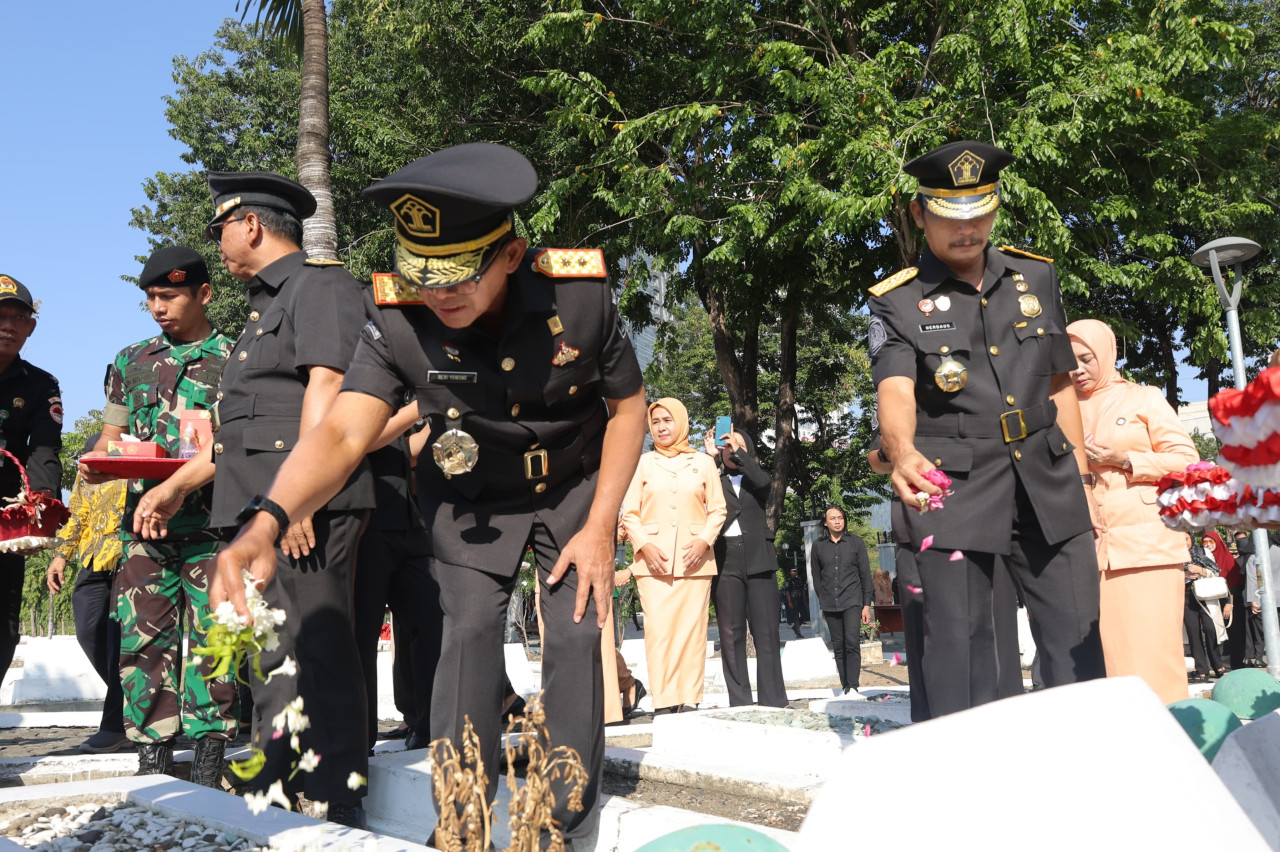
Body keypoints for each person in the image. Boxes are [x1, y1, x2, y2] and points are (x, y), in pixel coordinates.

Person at [187, 144, 647, 846]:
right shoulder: (395, 313)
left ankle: (558, 819)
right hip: (470, 494)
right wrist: (268, 519)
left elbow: (628, 408)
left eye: (457, 275)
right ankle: (460, 820)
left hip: (573, 484)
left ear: (511, 255)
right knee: (467, 632)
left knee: (577, 629)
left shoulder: (578, 296)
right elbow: (343, 430)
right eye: (422, 273)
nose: (438, 294)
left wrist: (601, 525)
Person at [132, 174, 375, 824]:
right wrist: (177, 486)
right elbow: (238, 428)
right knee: (270, 656)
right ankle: (277, 790)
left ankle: (337, 799)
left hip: (302, 510)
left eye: (221, 229)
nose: (218, 242)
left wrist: (298, 500)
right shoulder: (264, 308)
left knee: (318, 648)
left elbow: (328, 387)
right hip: (257, 511)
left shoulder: (318, 286)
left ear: (252, 225)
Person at [868, 141, 1106, 717]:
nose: (967, 229)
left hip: (1048, 479)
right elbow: (895, 389)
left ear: (995, 209)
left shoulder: (1036, 277)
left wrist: (1083, 482)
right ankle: (971, 769)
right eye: (950, 216)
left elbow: (1059, 383)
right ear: (919, 213)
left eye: (979, 213)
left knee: (1077, 645)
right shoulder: (898, 302)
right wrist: (902, 450)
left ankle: (1086, 761)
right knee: (966, 656)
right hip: (958, 489)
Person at [76, 247, 238, 785]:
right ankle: (154, 761)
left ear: (203, 294)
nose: (157, 308)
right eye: (150, 298)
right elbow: (112, 435)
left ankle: (210, 760)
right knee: (142, 643)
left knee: (214, 641)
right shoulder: (130, 361)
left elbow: (240, 442)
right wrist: (98, 464)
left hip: (215, 528)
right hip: (146, 530)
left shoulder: (237, 358)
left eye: (169, 296)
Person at [1066, 319, 1197, 706]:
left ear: (1108, 353)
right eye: (1068, 361)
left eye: (1086, 358)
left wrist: (1125, 459)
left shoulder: (1144, 398)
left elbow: (1188, 462)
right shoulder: (1060, 408)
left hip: (1147, 547)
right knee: (1104, 663)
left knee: (1154, 655)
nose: (1077, 369)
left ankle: (1169, 730)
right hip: (1086, 549)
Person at [621, 399, 727, 713]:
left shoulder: (703, 462)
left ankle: (690, 698)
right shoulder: (642, 463)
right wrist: (645, 546)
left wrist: (703, 541)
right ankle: (665, 700)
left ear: (680, 422)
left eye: (667, 420)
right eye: (655, 422)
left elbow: (718, 510)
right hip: (652, 563)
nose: (661, 427)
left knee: (692, 633)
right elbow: (629, 514)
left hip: (695, 561)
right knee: (659, 633)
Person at [353, 424, 442, 753]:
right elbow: (365, 437)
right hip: (364, 522)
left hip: (411, 520)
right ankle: (357, 743)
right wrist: (422, 409)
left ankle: (430, 727)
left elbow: (414, 451)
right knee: (361, 636)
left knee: (434, 621)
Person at [48, 434, 129, 754]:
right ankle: (137, 700)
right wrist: (60, 555)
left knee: (120, 642)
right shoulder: (89, 460)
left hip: (129, 557)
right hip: (93, 560)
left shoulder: (135, 453)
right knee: (88, 631)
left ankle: (117, 725)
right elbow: (77, 514)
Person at [0, 275, 62, 688]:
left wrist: (41, 507)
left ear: (31, 327)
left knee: (4, 626)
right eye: (0, 317)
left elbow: (43, 450)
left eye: (18, 318)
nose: (8, 326)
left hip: (5, 520)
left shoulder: (41, 385)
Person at [703, 427, 786, 708]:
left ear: (747, 450)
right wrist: (711, 459)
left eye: (737, 444)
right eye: (725, 444)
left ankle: (773, 700)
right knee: (731, 633)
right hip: (725, 559)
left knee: (767, 633)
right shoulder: (714, 478)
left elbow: (764, 483)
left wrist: (737, 452)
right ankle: (739, 702)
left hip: (759, 558)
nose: (730, 448)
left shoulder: (757, 478)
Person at [809, 506, 872, 694]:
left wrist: (866, 605)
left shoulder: (856, 542)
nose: (837, 521)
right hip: (830, 602)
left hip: (852, 599)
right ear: (825, 522)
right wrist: (823, 601)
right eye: (833, 518)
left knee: (851, 642)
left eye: (840, 518)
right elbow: (817, 577)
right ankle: (845, 686)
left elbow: (865, 575)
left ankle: (853, 685)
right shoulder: (818, 546)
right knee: (838, 645)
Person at [1185, 532, 1229, 682]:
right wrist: (1185, 575)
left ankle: (1217, 665)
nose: (1184, 542)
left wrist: (1201, 571)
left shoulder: (1203, 551)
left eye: (1186, 538)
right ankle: (1201, 670)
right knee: (1193, 632)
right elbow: (1169, 575)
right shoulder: (1175, 555)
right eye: (1180, 539)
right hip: (1186, 596)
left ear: (1192, 538)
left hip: (1205, 594)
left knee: (1211, 628)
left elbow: (1216, 571)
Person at [783, 567, 806, 639]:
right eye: (793, 571)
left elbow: (802, 590)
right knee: (796, 617)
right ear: (790, 573)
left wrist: (804, 600)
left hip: (800, 600)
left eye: (796, 571)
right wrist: (789, 602)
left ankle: (795, 627)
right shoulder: (788, 581)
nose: (795, 572)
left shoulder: (799, 580)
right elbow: (787, 592)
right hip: (793, 600)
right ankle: (798, 633)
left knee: (805, 615)